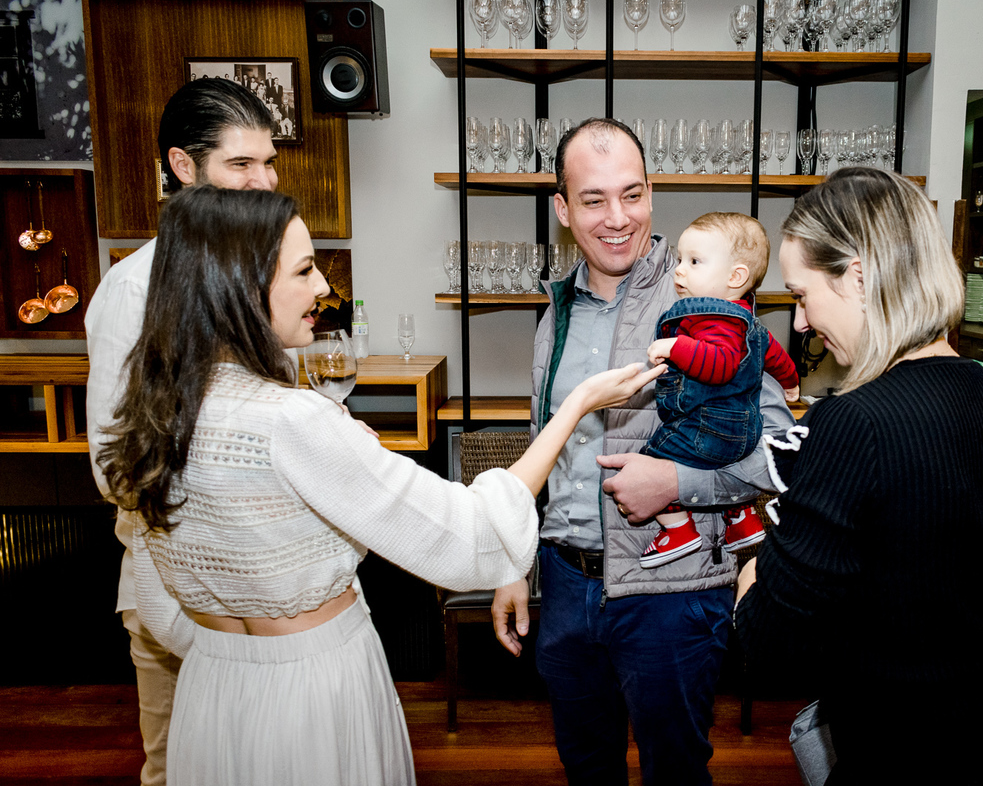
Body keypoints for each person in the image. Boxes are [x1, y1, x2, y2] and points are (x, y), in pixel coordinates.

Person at [95, 186, 663, 785]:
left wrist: (234, 656)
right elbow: (470, 537)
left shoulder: (154, 417)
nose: (322, 289)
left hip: (210, 693)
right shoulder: (292, 421)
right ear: (243, 288)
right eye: (305, 270)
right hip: (313, 694)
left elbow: (158, 603)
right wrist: (577, 405)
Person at [734, 167, 983, 785]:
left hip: (894, 757)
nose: (802, 323)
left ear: (859, 278)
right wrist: (959, 563)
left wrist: (755, 571)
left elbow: (767, 648)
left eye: (804, 295)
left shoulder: (851, 423)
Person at [491, 118, 793, 785]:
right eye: (594, 200)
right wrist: (512, 564)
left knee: (675, 773)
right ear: (563, 210)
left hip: (671, 593)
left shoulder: (705, 298)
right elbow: (547, 448)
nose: (618, 218)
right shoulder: (557, 310)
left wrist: (676, 484)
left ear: (652, 192)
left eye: (633, 194)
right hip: (565, 585)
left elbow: (777, 452)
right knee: (587, 767)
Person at [84, 77, 278, 786]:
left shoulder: (252, 280)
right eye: (241, 164)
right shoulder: (137, 290)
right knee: (181, 767)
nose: (263, 182)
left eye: (268, 161)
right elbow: (114, 466)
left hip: (262, 588)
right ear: (183, 166)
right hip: (177, 586)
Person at [639, 212, 801, 568]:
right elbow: (775, 355)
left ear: (736, 276)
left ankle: (678, 530)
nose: (679, 270)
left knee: (649, 460)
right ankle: (741, 520)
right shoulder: (749, 323)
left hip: (713, 429)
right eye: (680, 260)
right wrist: (790, 383)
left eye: (694, 261)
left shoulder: (714, 321)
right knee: (726, 462)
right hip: (743, 432)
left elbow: (721, 363)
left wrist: (675, 347)